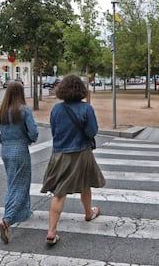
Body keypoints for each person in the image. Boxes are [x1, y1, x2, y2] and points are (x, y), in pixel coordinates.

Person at [40, 74, 106, 245]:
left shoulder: (56, 109)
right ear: (81, 90)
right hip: (81, 153)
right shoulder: (86, 109)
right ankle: (88, 213)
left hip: (60, 153)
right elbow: (92, 132)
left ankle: (51, 231)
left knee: (59, 193)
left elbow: (54, 130)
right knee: (86, 183)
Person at [0, 81, 39, 244]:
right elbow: (34, 133)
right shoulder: (24, 111)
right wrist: (28, 140)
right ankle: (7, 220)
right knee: (21, 185)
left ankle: (24, 212)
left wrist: (4, 141)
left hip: (6, 151)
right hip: (20, 150)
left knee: (13, 183)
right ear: (21, 94)